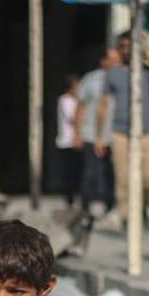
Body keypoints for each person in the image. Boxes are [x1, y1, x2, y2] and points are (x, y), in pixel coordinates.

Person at [97, 30, 149, 231]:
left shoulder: (148, 72)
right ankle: (125, 217)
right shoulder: (113, 73)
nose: (126, 51)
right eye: (122, 47)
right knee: (122, 179)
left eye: (130, 46)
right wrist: (99, 136)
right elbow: (103, 104)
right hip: (120, 132)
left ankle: (142, 209)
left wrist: (144, 47)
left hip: (146, 131)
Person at [75, 48, 119, 224]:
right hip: (91, 134)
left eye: (117, 58)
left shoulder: (124, 77)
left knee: (112, 174)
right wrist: (77, 132)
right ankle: (85, 209)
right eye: (112, 59)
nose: (115, 62)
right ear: (103, 61)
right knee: (90, 173)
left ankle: (112, 207)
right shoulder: (90, 79)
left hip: (115, 134)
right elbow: (80, 106)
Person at [54, 74, 82, 211]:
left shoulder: (77, 100)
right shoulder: (64, 100)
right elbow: (73, 119)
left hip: (77, 140)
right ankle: (69, 199)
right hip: (67, 141)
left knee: (76, 172)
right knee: (69, 172)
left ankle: (75, 197)